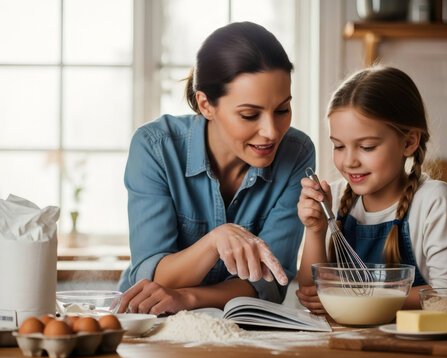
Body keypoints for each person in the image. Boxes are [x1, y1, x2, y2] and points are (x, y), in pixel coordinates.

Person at [117, 21, 315, 315]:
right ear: (206, 104)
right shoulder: (155, 147)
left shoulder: (297, 153)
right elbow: (152, 278)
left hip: (243, 329)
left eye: (282, 110)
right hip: (150, 320)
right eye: (250, 115)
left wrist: (189, 299)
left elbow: (270, 283)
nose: (272, 132)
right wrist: (215, 241)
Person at [296, 66, 447, 313]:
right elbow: (312, 292)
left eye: (366, 147)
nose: (349, 162)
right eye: (338, 146)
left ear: (409, 142)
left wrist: (360, 297)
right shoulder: (332, 198)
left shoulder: (433, 202)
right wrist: (315, 229)